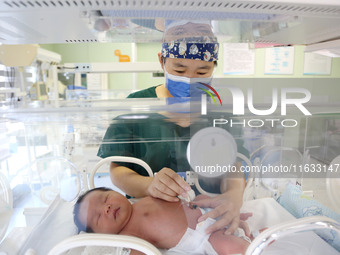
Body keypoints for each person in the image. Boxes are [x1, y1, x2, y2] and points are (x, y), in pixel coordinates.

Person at [97, 20, 249, 236]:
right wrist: (149, 185)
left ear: (214, 66)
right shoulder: (137, 105)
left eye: (202, 71)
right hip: (152, 219)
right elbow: (118, 170)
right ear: (161, 61)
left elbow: (235, 162)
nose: (189, 80)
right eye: (179, 69)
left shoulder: (220, 109)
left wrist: (234, 195)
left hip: (209, 218)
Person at [74, 187, 255, 255]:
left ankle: (237, 224)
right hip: (200, 236)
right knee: (232, 246)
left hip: (202, 210)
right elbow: (141, 252)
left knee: (208, 198)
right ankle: (254, 244)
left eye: (105, 198)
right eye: (97, 217)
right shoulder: (128, 234)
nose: (105, 208)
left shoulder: (141, 198)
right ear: (102, 236)